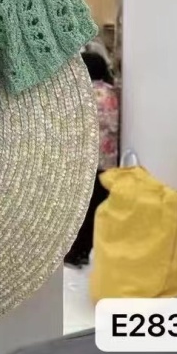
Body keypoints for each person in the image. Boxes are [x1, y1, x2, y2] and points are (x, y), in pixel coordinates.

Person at [64, 50, 119, 267]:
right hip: (108, 161)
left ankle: (77, 252)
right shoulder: (111, 93)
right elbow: (113, 125)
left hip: (84, 160)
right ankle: (89, 250)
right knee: (98, 207)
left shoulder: (81, 94)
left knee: (81, 209)